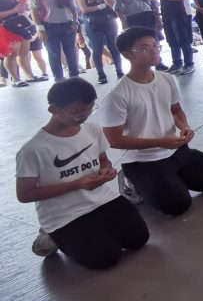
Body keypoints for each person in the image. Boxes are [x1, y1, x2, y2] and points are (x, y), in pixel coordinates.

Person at [16, 78, 149, 269]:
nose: (84, 116)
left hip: (101, 199)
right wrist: (77, 184)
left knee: (139, 238)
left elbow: (102, 158)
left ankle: (92, 233)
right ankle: (50, 235)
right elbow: (24, 194)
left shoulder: (92, 129)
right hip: (64, 214)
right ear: (53, 109)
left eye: (90, 109)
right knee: (105, 258)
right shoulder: (33, 150)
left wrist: (106, 169)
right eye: (77, 113)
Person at [99, 27, 203, 216]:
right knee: (177, 205)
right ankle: (133, 182)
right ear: (127, 54)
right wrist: (160, 142)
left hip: (174, 149)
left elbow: (176, 110)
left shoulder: (167, 79)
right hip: (142, 160)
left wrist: (185, 127)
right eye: (145, 48)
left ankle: (169, 179)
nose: (154, 51)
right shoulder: (117, 95)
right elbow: (114, 140)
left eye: (156, 45)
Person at [73, 0, 123, 84]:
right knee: (97, 48)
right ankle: (101, 73)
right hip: (92, 22)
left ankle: (119, 70)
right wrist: (99, 7)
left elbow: (111, 3)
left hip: (109, 20)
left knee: (113, 46)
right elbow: (84, 9)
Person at [30, 0, 80, 82]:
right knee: (54, 54)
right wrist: (40, 29)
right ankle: (59, 79)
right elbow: (34, 13)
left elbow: (74, 9)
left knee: (71, 52)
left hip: (67, 25)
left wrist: (75, 21)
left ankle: (75, 78)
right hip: (48, 27)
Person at [146, 0, 194, 75]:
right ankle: (177, 63)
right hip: (166, 14)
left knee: (183, 40)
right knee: (171, 40)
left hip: (177, 14)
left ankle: (189, 64)